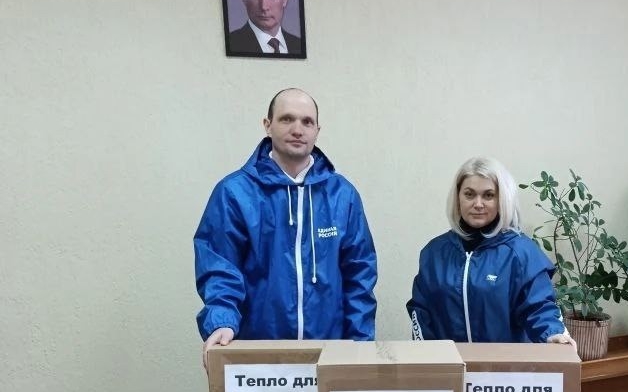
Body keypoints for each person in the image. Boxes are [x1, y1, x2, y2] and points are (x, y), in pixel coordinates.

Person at [195, 87, 377, 369]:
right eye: (287, 119)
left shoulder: (342, 195)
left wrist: (361, 345)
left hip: (330, 356)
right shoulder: (234, 193)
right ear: (267, 125)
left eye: (307, 122)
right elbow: (219, 268)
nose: (297, 129)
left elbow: (359, 276)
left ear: (317, 130)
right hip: (258, 359)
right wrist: (222, 322)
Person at [407, 157, 574, 344]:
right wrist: (427, 354)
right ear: (458, 198)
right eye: (469, 194)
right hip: (450, 361)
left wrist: (552, 333)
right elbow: (421, 311)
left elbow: (540, 306)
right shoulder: (434, 253)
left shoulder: (521, 252)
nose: (478, 204)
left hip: (506, 362)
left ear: (501, 200)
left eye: (488, 195)